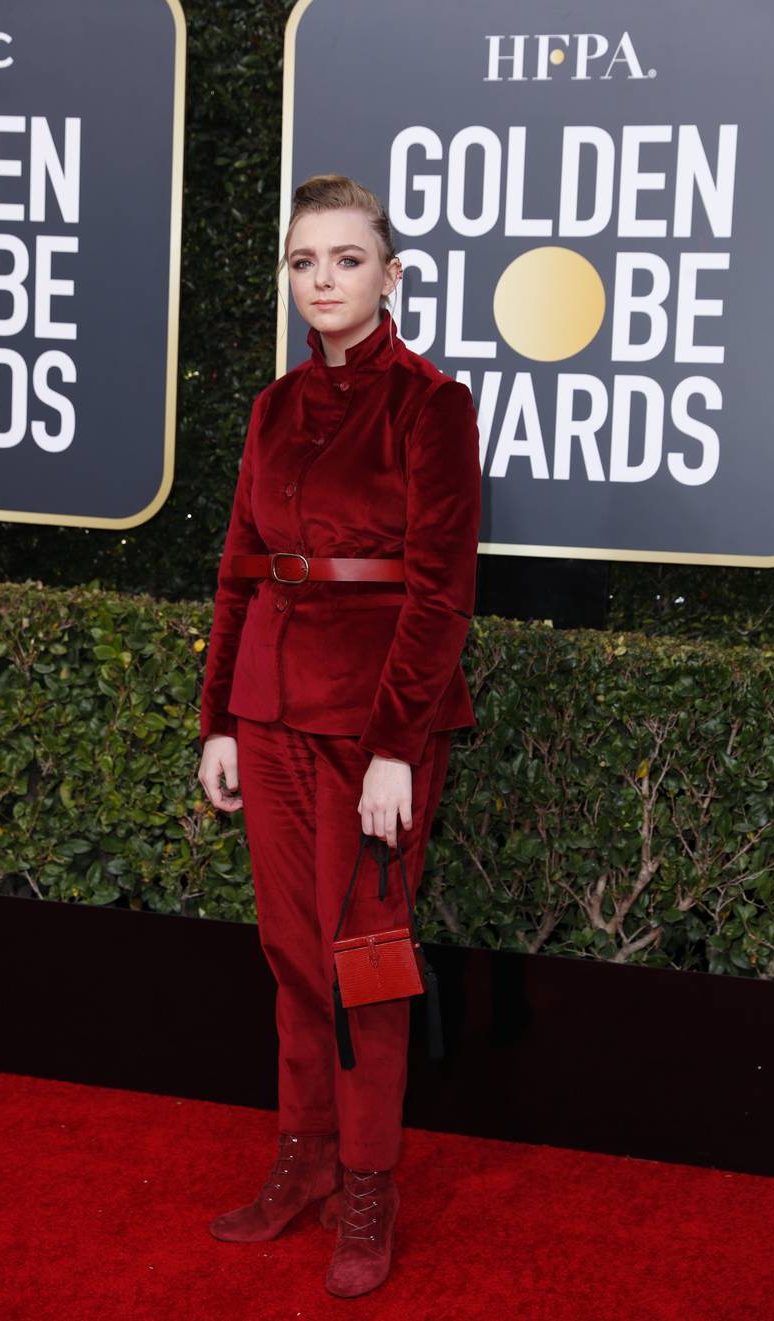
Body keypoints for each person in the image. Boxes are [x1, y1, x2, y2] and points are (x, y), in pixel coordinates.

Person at [196, 174, 481, 1299]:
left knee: (364, 964)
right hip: (265, 710)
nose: (323, 280)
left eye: (346, 259)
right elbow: (234, 566)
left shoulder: (430, 404)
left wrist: (397, 748)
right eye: (304, 262)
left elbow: (442, 591)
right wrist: (217, 717)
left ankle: (369, 1181)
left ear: (389, 272)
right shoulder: (271, 407)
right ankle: (304, 1159)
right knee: (287, 951)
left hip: (372, 725)